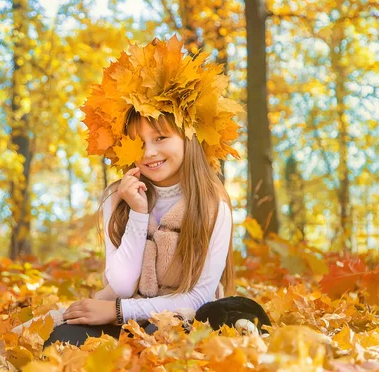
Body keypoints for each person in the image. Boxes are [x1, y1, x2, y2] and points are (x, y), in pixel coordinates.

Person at [44, 35, 270, 347]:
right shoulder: (117, 198)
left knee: (172, 334)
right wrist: (138, 212)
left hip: (186, 317)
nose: (149, 152)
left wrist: (120, 311)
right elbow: (121, 284)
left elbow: (199, 295)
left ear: (188, 137)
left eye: (161, 138)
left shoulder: (212, 203)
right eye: (139, 142)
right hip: (121, 314)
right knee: (64, 339)